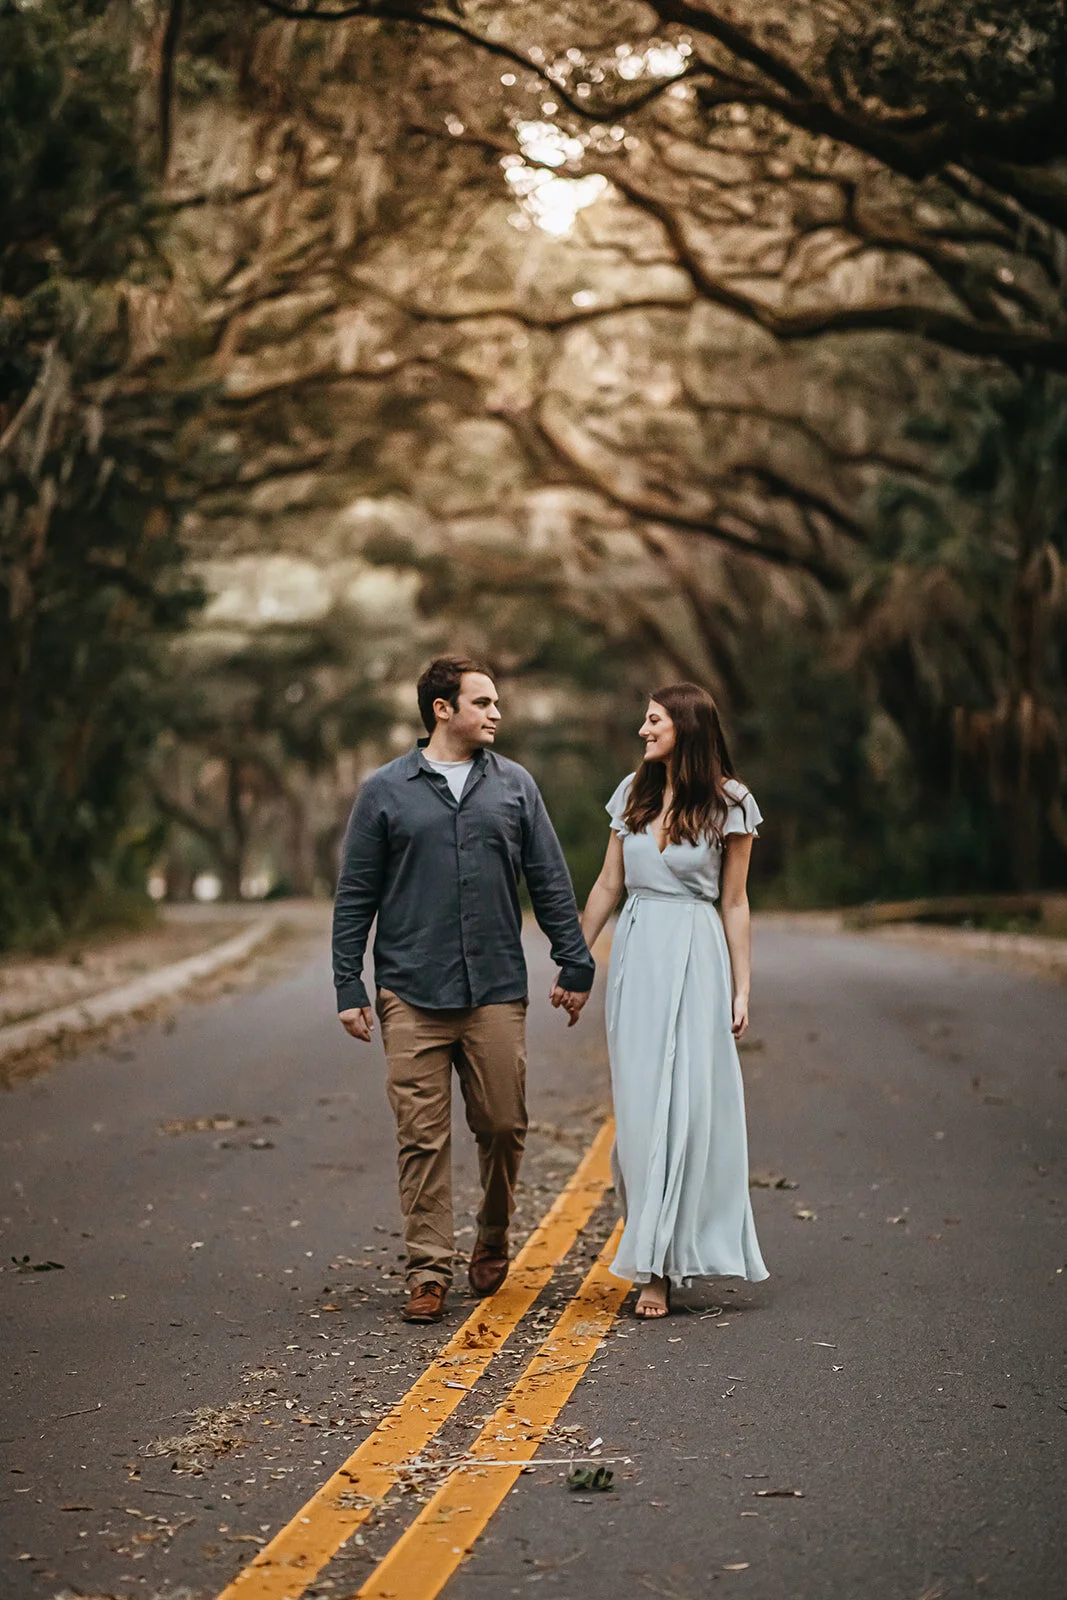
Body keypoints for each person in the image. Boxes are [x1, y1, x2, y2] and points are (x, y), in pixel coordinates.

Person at [332, 656, 595, 1324]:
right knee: (421, 1138)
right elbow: (355, 895)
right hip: (410, 991)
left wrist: (575, 963)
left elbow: (549, 879)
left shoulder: (515, 787)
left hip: (495, 990)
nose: (496, 713)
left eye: (496, 701)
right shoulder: (385, 791)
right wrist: (347, 983)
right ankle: (427, 1269)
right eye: (482, 702)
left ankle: (494, 1230)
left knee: (503, 1125)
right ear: (441, 709)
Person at [579, 682, 769, 1318]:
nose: (642, 729)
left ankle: (658, 1267)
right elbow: (609, 884)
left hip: (695, 955)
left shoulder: (732, 804)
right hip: (637, 955)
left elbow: (734, 902)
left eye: (653, 719)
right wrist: (576, 959)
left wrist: (742, 986)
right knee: (639, 1113)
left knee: (683, 1107)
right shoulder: (632, 795)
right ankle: (650, 1238)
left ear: (685, 727)